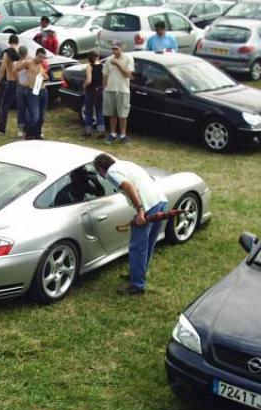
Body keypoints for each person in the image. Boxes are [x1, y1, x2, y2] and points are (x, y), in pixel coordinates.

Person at [93, 154, 168, 295]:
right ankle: (137, 274)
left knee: (137, 247)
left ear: (101, 169)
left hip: (148, 207)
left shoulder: (111, 173)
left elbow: (128, 186)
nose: (101, 176)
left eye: (99, 173)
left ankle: (137, 285)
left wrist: (140, 210)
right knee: (148, 243)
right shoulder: (126, 164)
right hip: (161, 201)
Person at [103, 40, 134, 144]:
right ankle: (113, 134)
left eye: (116, 49)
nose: (114, 51)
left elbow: (127, 74)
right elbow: (105, 75)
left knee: (122, 114)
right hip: (110, 89)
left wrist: (118, 64)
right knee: (112, 114)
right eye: (113, 49)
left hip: (123, 90)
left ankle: (123, 135)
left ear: (121, 48)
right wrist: (105, 88)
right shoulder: (108, 60)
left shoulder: (128, 58)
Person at [16, 47, 49, 140]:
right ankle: (29, 134)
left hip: (42, 90)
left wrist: (45, 75)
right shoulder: (29, 62)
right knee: (34, 115)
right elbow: (17, 69)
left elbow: (46, 77)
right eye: (40, 57)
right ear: (36, 55)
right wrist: (22, 81)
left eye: (43, 58)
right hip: (32, 91)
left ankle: (37, 133)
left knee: (42, 116)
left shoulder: (43, 65)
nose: (41, 59)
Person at [0, 34, 21, 136]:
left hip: (12, 82)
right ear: (17, 42)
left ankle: (1, 129)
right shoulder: (20, 52)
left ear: (9, 42)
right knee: (22, 106)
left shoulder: (7, 53)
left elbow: (2, 71)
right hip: (21, 83)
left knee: (4, 106)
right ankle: (23, 129)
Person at [83, 50, 104, 138]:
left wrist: (84, 85)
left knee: (89, 111)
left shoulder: (89, 67)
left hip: (91, 91)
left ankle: (88, 131)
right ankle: (101, 132)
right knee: (99, 111)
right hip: (99, 90)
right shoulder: (101, 66)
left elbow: (89, 80)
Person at [14, 45, 30, 139]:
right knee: (28, 108)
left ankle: (20, 128)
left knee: (21, 109)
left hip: (20, 87)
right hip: (28, 86)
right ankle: (27, 128)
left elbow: (15, 74)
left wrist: (19, 82)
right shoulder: (28, 63)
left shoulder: (16, 63)